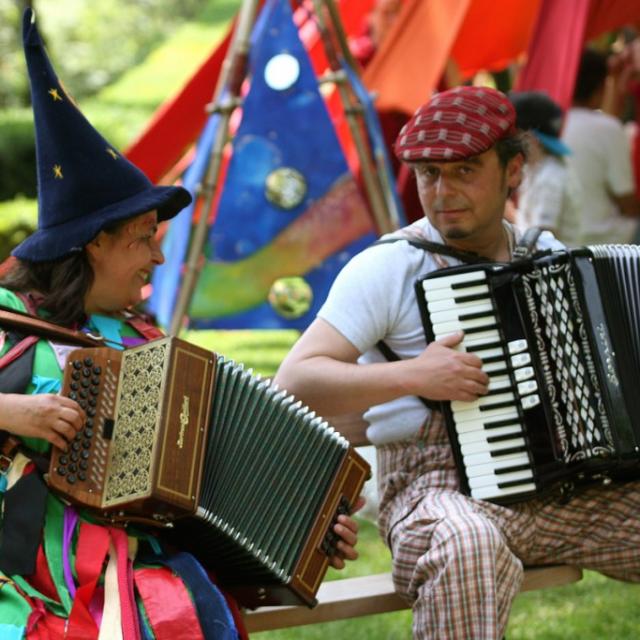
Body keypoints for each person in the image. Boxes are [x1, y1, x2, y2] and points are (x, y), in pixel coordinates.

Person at [0, 10, 360, 639]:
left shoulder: (146, 345)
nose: (159, 257)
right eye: (143, 240)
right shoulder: (7, 317)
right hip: (24, 579)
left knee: (178, 610)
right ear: (95, 244)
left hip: (135, 570)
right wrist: (11, 414)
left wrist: (312, 522)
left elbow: (210, 480)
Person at [275, 85, 640, 639]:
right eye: (428, 174)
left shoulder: (549, 259)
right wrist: (412, 375)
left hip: (563, 489)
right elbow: (294, 381)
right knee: (467, 545)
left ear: (513, 170)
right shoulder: (388, 267)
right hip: (433, 490)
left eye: (465, 171)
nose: (442, 192)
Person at [562, 47, 640, 245]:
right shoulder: (608, 129)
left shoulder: (550, 126)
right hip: (609, 240)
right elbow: (627, 202)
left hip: (564, 240)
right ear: (600, 87)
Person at [508, 90, 583, 246]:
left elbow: (541, 240)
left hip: (559, 265)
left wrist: (508, 213)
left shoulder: (550, 178)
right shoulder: (536, 169)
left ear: (530, 138)